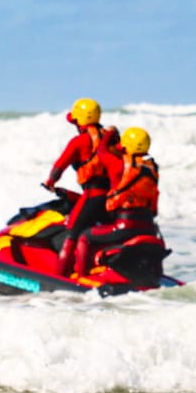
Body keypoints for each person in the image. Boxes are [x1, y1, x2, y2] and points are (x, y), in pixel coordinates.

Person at [42, 97, 118, 277]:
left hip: (93, 196)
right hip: (112, 199)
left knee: (72, 233)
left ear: (80, 121)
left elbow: (59, 166)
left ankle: (61, 277)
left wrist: (50, 182)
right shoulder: (112, 139)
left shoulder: (79, 141)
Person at [73, 126, 159, 279]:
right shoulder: (153, 168)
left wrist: (109, 135)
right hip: (149, 227)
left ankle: (81, 277)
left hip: (125, 225)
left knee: (84, 237)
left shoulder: (118, 165)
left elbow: (101, 152)